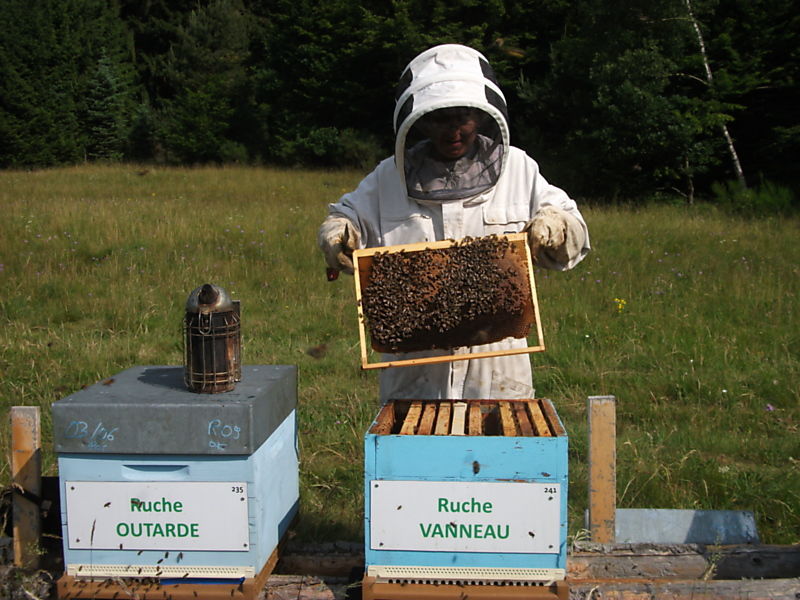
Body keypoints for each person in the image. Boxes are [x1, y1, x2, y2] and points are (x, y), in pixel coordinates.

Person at [318, 44, 590, 402]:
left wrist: (555, 224)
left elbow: (576, 233)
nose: (454, 131)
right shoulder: (388, 178)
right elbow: (346, 217)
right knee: (416, 457)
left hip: (497, 366)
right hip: (414, 367)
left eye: (463, 117)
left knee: (498, 453)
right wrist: (337, 232)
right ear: (420, 121)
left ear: (482, 115)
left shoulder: (519, 169)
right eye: (440, 119)